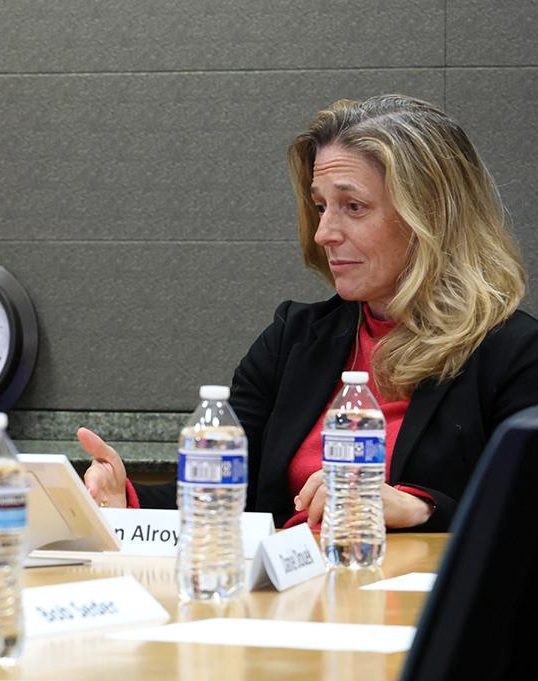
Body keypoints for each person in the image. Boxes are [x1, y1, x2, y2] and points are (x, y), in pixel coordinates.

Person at [81, 94, 538, 532]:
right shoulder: (291, 338)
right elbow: (219, 495)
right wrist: (127, 501)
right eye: (321, 207)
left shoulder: (515, 354)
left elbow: (521, 519)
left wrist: (419, 508)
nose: (324, 233)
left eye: (353, 207)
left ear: (432, 216)